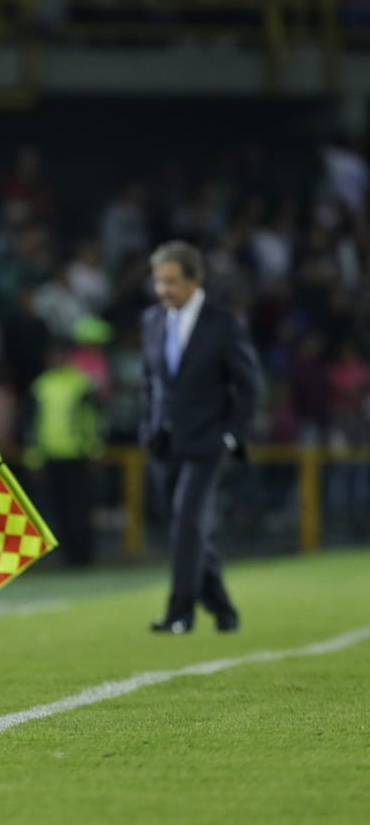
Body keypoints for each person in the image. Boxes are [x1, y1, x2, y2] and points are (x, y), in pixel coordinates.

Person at [141, 240, 261, 634]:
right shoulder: (151, 321)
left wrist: (232, 435)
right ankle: (223, 609)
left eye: (171, 282)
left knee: (188, 523)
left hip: (208, 442)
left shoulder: (224, 323)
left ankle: (180, 613)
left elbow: (249, 386)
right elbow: (153, 381)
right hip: (164, 442)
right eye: (159, 282)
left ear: (195, 280)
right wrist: (149, 424)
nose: (163, 291)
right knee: (187, 526)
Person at [23, 340, 104, 567]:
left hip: (77, 455)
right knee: (57, 509)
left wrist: (93, 451)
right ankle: (67, 555)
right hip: (50, 456)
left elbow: (91, 420)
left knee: (80, 509)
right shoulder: (41, 386)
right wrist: (34, 456)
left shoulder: (81, 384)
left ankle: (84, 555)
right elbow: (31, 424)